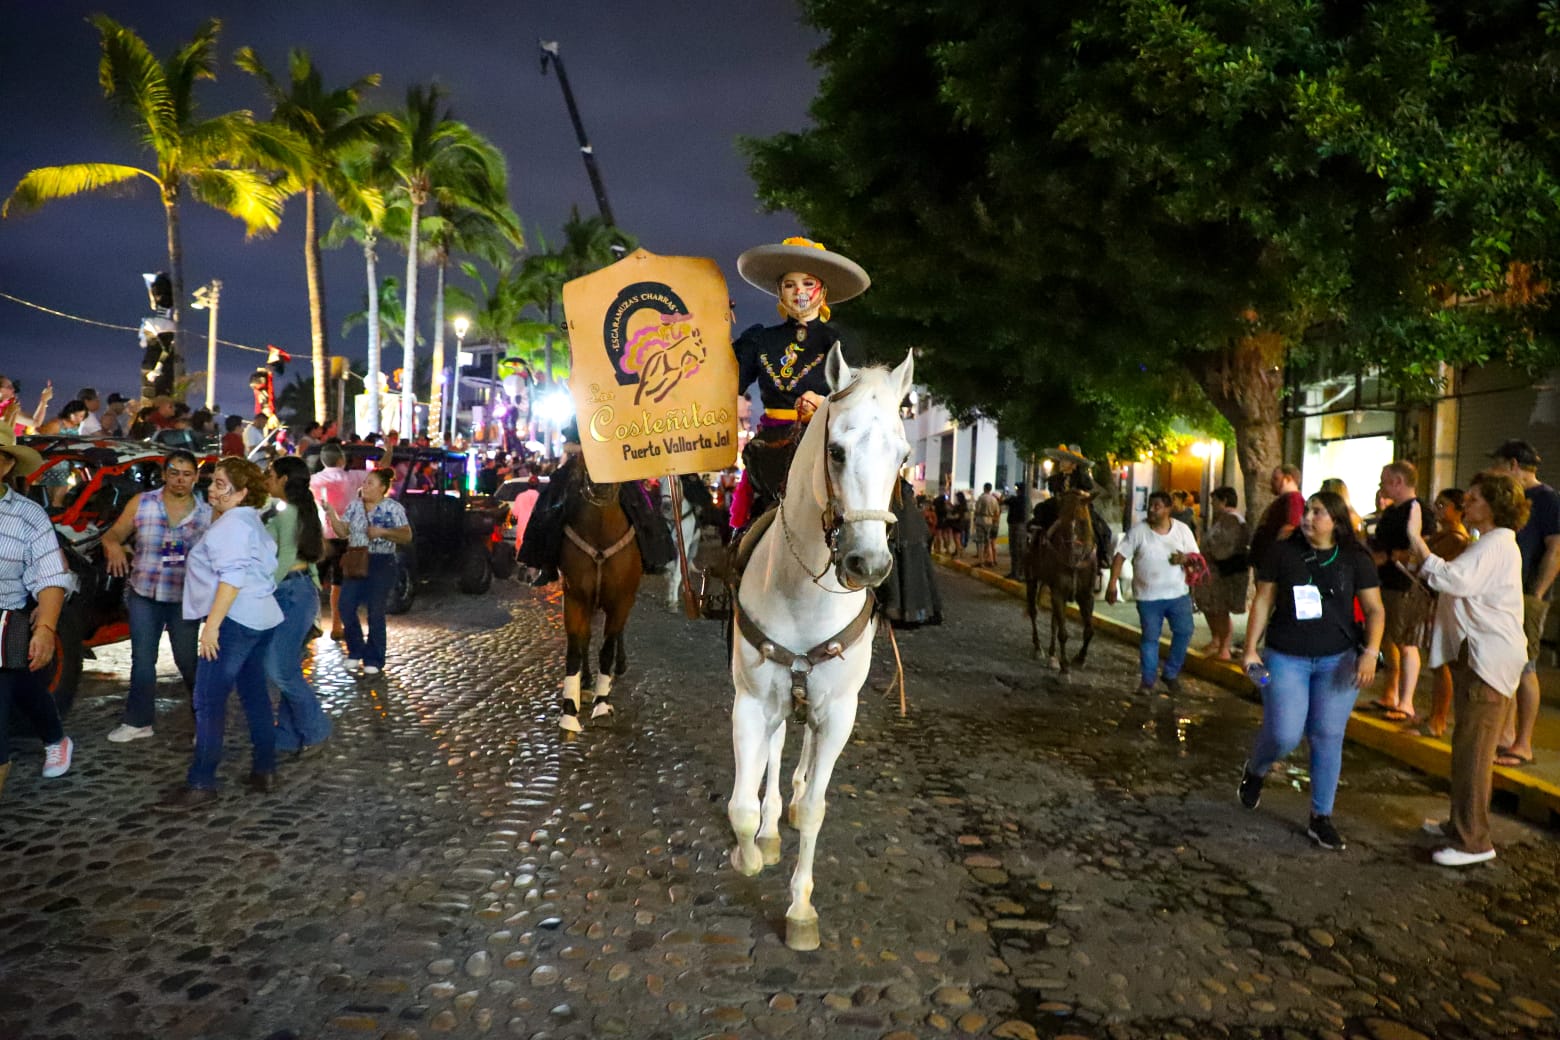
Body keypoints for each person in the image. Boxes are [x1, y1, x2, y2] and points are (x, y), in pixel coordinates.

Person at [1238, 490, 1385, 851]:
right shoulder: (1282, 552)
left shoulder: (1355, 558)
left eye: (1318, 512)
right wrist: (1250, 649)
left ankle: (1321, 817)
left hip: (1339, 659)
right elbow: (1264, 599)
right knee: (1284, 734)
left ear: (1336, 521)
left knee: (1327, 735)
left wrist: (1370, 652)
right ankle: (1256, 769)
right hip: (1286, 657)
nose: (1307, 517)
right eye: (1307, 510)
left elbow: (1375, 610)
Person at [1405, 473, 1527, 866]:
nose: (1465, 505)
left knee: (1474, 754)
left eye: (1473, 499)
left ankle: (1473, 840)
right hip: (1478, 658)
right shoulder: (1489, 543)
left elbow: (1452, 579)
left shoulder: (1496, 544)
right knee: (1465, 749)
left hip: (1488, 661)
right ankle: (1460, 825)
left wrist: (1416, 540)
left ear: (1494, 506)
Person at [156, 457, 283, 810]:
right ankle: (265, 769)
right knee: (254, 695)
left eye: (221, 484)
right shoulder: (247, 519)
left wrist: (211, 627)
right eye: (213, 482)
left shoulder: (233, 525)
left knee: (208, 700)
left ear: (242, 493)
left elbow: (232, 577)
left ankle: (202, 782)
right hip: (261, 616)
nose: (211, 489)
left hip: (236, 619)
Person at [725, 236, 871, 532]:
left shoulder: (841, 341)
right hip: (772, 449)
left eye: (807, 283)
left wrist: (823, 404)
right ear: (780, 291)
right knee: (749, 527)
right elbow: (727, 386)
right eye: (790, 285)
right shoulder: (760, 339)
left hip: (828, 445)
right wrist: (716, 333)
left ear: (823, 290)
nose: (799, 292)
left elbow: (860, 403)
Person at [99, 450, 211, 741]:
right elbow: (112, 534)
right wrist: (113, 546)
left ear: (196, 477)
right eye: (174, 473)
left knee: (188, 661)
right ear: (164, 474)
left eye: (187, 474)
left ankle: (206, 722)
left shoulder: (207, 513)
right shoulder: (142, 503)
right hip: (144, 593)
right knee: (142, 659)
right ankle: (138, 721)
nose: (180, 480)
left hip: (184, 598)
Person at [0, 441, 75, 799]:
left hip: (6, 621)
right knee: (26, 685)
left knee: (14, 687)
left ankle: (55, 738)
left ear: (6, 466)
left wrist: (45, 628)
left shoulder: (28, 515)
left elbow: (50, 576)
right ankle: (54, 735)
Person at [1487, 439, 1560, 768]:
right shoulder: (1513, 499)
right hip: (1505, 593)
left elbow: (1556, 549)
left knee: (1525, 667)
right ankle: (1506, 735)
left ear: (1513, 465)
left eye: (1498, 464)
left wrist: (1537, 594)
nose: (1494, 471)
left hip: (1527, 595)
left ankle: (1523, 744)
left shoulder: (1547, 499)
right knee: (1507, 666)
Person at [262, 457, 332, 757]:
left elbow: (287, 557)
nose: (267, 478)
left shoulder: (289, 511)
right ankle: (288, 737)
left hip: (290, 592)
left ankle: (316, 729)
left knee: (277, 667)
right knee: (286, 666)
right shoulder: (292, 509)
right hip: (297, 590)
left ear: (284, 479)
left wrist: (264, 590)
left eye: (270, 474)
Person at [1106, 490, 1201, 694]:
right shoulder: (1138, 531)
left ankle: (1170, 673)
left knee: (1184, 631)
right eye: (1150, 505)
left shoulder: (1182, 530)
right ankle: (1147, 681)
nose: (1151, 509)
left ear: (1168, 509)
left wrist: (1185, 559)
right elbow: (1120, 556)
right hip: (1148, 597)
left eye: (1157, 506)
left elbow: (1196, 557)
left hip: (1178, 595)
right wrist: (1112, 583)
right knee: (1150, 638)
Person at [1367, 461, 1435, 723]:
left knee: (1406, 642)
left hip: (1405, 584)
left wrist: (1394, 556)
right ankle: (1390, 693)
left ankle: (1406, 701)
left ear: (1398, 482)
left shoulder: (1419, 510)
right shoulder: (1392, 511)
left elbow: (1424, 549)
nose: (1381, 486)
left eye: (1385, 481)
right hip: (1385, 581)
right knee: (1388, 639)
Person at [326, 468, 412, 676]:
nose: (364, 486)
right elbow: (342, 532)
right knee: (346, 606)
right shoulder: (355, 506)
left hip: (381, 561)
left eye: (370, 483)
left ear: (382, 488)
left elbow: (406, 536)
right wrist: (331, 514)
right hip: (356, 560)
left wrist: (383, 532)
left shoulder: (393, 508)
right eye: (364, 482)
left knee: (375, 611)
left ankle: (374, 657)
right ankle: (355, 650)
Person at [1424, 489, 1470, 738]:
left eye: (1443, 505)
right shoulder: (1443, 535)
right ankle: (1435, 715)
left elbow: (1429, 563)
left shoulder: (1456, 538)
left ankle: (1438, 718)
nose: (1437, 509)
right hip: (1436, 601)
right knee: (1437, 661)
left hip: (1444, 603)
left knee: (1442, 662)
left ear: (1458, 509)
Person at [310, 443, 366, 640]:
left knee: (314, 581)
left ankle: (313, 623)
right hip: (344, 536)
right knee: (339, 582)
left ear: (323, 460)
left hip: (320, 536)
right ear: (342, 460)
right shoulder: (352, 478)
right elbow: (381, 472)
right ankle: (336, 625)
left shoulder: (313, 480)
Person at [1194, 486, 1250, 660]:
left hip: (1223, 573)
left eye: (1214, 501)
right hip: (1215, 572)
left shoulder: (1232, 520)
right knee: (1213, 608)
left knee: (1220, 610)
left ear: (1224, 501)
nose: (1212, 504)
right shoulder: (1226, 519)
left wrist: (1210, 553)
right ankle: (1217, 642)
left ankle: (1224, 648)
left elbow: (1224, 548)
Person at [879, 475, 943, 627]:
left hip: (901, 543)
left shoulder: (894, 500)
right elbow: (925, 531)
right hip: (913, 545)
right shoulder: (910, 506)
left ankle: (901, 613)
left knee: (902, 577)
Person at [1248, 465, 1304, 572]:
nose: (1272, 482)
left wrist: (1274, 555)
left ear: (1288, 479)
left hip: (1272, 564)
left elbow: (1291, 526)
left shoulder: (1294, 499)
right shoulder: (1283, 500)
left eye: (1276, 479)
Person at [973, 482, 1002, 568]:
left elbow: (977, 510)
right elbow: (997, 512)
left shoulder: (981, 498)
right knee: (988, 541)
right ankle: (991, 560)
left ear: (984, 488)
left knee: (980, 542)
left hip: (981, 520)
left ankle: (981, 561)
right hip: (990, 521)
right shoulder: (994, 500)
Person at [1005, 483, 1029, 578]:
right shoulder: (1026, 500)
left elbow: (1003, 501)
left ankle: (1016, 573)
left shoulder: (1015, 499)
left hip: (1016, 526)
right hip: (1021, 526)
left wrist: (1006, 493)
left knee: (1016, 550)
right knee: (1019, 550)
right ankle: (1018, 573)